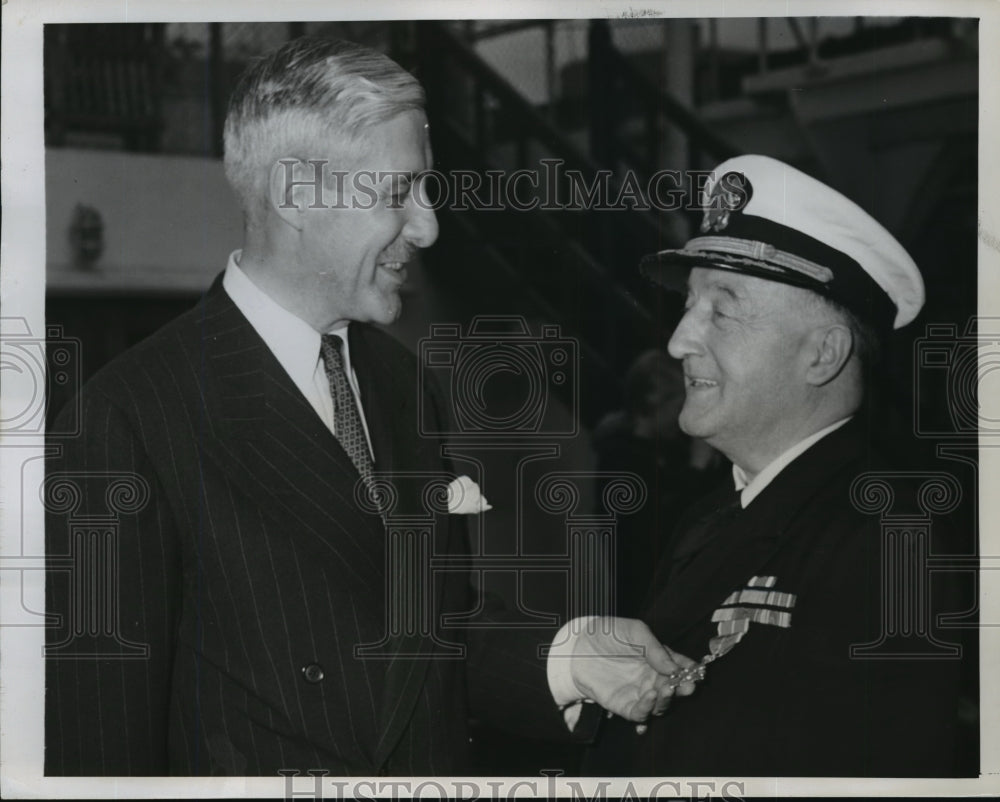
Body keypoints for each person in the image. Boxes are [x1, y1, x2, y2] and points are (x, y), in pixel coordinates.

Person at [44, 37, 693, 777]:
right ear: (294, 193)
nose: (428, 226)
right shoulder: (130, 417)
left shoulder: (400, 381)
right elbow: (97, 749)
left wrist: (569, 659)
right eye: (396, 193)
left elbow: (419, 641)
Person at [583, 154, 963, 776]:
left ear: (822, 354)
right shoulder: (712, 514)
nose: (679, 340)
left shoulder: (891, 541)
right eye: (689, 305)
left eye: (722, 309)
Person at [592, 350, 723, 616]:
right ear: (654, 400)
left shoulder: (669, 450)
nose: (685, 415)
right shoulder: (619, 457)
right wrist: (696, 467)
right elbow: (655, 530)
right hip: (643, 595)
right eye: (679, 405)